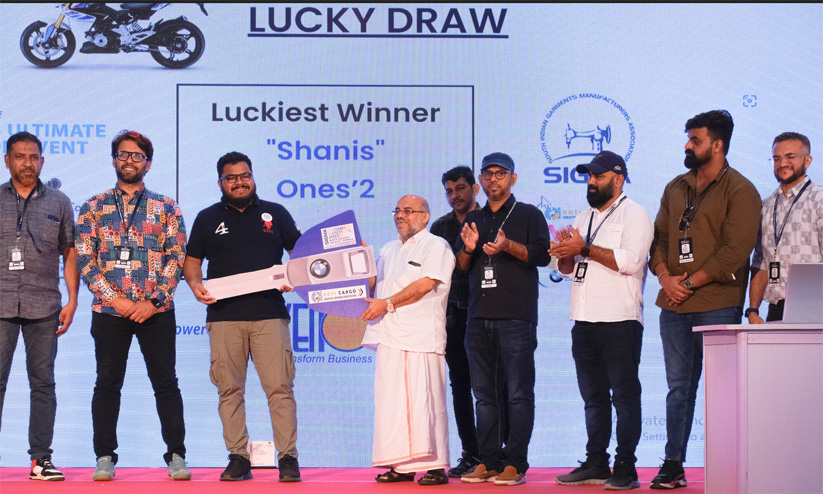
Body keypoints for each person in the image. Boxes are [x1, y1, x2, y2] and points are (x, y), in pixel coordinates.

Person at [648, 110, 760, 489]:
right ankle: (673, 464)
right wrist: (665, 277)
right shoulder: (675, 186)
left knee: (722, 391)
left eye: (695, 140)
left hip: (717, 303)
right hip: (673, 303)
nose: (687, 145)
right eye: (688, 138)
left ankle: (729, 465)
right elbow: (659, 240)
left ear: (717, 145)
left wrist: (688, 283)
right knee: (678, 387)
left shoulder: (741, 190)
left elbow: (735, 252)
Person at [75, 130, 191, 481]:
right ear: (114, 160)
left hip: (156, 310)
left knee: (166, 383)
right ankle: (104, 456)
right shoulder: (93, 207)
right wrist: (118, 300)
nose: (129, 160)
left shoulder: (166, 207)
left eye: (137, 156)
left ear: (148, 164)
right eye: (123, 154)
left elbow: (177, 257)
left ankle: (176, 455)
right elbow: (85, 260)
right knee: (107, 383)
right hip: (110, 311)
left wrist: (153, 301)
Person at [183, 151, 302, 482]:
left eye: (245, 175)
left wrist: (295, 276)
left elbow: (300, 253)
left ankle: (288, 458)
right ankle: (238, 458)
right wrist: (195, 285)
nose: (239, 182)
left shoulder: (275, 213)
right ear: (220, 182)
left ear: (253, 176)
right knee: (229, 390)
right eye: (231, 178)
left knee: (280, 388)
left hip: (269, 314)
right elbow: (192, 261)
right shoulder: (207, 217)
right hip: (224, 316)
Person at [549, 151, 653, 490]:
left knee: (624, 396)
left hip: (619, 319)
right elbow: (568, 270)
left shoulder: (635, 214)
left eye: (598, 176)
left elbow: (632, 262)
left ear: (618, 179)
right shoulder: (584, 217)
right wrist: (565, 254)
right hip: (583, 319)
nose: (591, 182)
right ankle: (596, 461)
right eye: (589, 176)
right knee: (593, 398)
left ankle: (626, 466)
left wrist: (584, 248)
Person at [455, 152, 551, 486]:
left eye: (500, 173)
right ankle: (490, 461)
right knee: (484, 395)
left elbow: (542, 255)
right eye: (488, 173)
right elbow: (461, 266)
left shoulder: (528, 214)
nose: (493, 179)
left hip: (516, 317)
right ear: (480, 180)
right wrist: (468, 249)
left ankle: (516, 463)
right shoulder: (473, 218)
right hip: (478, 317)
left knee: (518, 394)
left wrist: (508, 245)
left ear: (513, 178)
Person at [360, 194, 455, 486]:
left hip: (420, 337)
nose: (400, 215)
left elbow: (425, 284)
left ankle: (436, 466)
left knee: (426, 402)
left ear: (425, 217)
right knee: (392, 405)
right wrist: (361, 263)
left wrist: (388, 303)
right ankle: (401, 466)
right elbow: (374, 286)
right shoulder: (388, 249)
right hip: (390, 336)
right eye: (397, 210)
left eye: (408, 210)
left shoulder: (436, 245)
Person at [1, 132, 78, 481]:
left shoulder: (59, 202)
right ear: (7, 161)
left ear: (42, 161)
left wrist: (73, 299)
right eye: (20, 157)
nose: (27, 163)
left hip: (45, 304)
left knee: (43, 383)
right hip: (1, 303)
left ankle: (40, 460)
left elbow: (69, 252)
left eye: (33, 157)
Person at [430, 165, 482, 478]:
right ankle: (470, 453)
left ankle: (497, 454)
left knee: (492, 387)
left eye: (460, 188)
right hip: (451, 317)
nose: (454, 196)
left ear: (474, 188)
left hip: (486, 314)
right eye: (449, 191)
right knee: (460, 386)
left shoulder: (490, 220)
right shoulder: (439, 228)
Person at [748, 132, 823, 323]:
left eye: (790, 156)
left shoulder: (819, 199)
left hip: (814, 307)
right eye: (776, 158)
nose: (782, 163)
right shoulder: (766, 205)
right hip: (775, 308)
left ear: (808, 160)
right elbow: (760, 263)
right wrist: (753, 310)